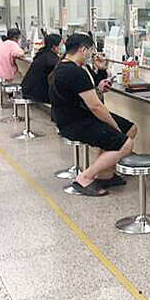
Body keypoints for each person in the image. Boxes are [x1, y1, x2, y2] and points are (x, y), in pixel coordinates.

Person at [49, 33, 135, 197]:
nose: (92, 54)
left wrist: (101, 71)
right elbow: (96, 106)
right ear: (83, 49)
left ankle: (105, 175)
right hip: (75, 122)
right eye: (90, 51)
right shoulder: (73, 71)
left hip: (79, 115)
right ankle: (84, 178)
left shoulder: (71, 66)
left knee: (131, 129)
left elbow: (89, 89)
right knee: (126, 144)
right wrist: (114, 127)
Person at [20, 33, 62, 103]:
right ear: (54, 47)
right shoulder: (51, 59)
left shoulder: (42, 53)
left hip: (28, 89)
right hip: (37, 94)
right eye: (61, 45)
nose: (62, 47)